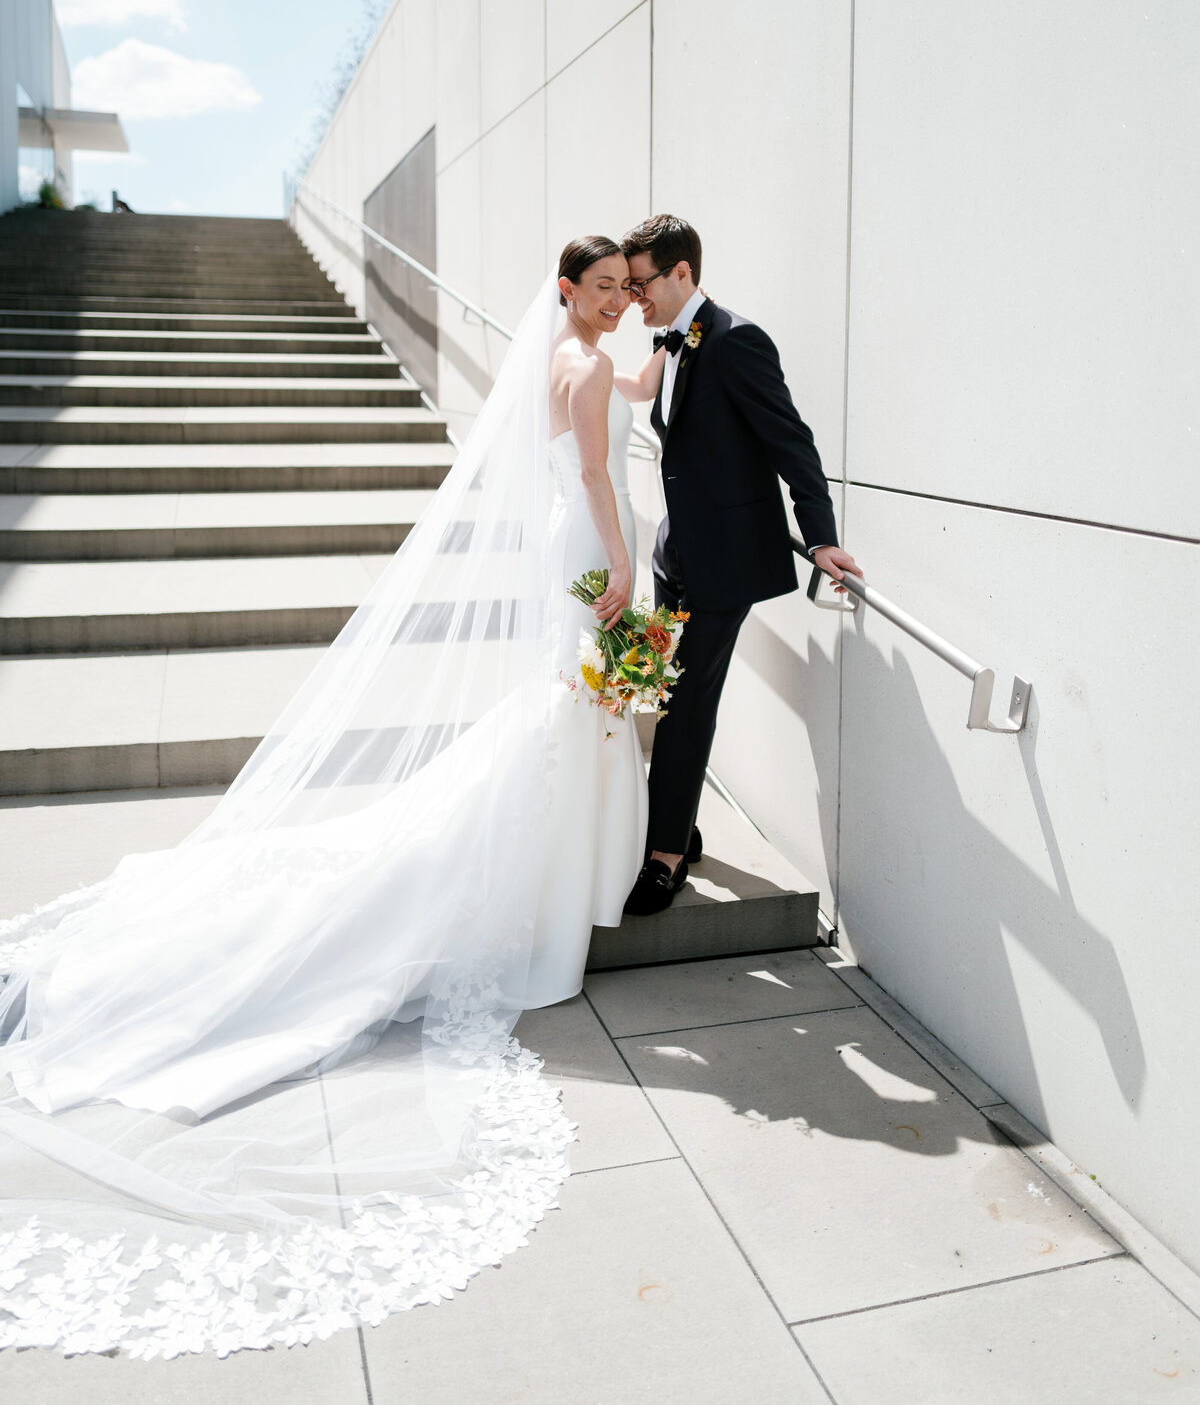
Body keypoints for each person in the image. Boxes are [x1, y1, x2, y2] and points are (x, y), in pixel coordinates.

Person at [0, 239, 653, 1361]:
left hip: (563, 548)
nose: (611, 305)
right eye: (599, 291)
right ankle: (545, 887)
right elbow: (598, 470)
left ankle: (542, 868)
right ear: (566, 294)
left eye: (620, 292)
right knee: (571, 714)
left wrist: (656, 352)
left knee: (562, 715)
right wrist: (629, 572)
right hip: (590, 547)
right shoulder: (586, 367)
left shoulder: (567, 358)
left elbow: (627, 387)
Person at [619, 214, 863, 915]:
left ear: (683, 274)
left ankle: (665, 855)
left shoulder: (736, 341)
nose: (637, 300)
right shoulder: (670, 346)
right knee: (670, 695)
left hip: (724, 562)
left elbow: (794, 442)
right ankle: (680, 824)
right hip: (676, 556)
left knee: (688, 701)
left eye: (642, 286)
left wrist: (819, 537)